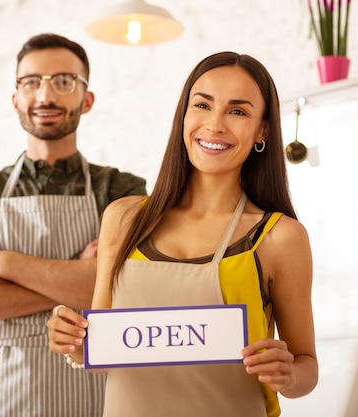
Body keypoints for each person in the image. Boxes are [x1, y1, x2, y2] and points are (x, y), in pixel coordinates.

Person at [47, 51, 318, 417]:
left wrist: (289, 373)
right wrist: (74, 343)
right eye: (202, 105)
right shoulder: (123, 219)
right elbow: (103, 348)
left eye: (238, 111)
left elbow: (306, 367)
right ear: (184, 115)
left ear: (262, 130)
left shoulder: (280, 237)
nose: (215, 125)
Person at [0, 33, 147, 417]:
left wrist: (3, 263)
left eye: (63, 81)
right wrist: (82, 280)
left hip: (89, 387)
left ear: (87, 99)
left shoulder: (121, 189)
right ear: (15, 98)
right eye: (31, 82)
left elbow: (129, 289)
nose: (45, 96)